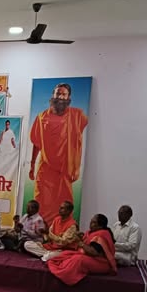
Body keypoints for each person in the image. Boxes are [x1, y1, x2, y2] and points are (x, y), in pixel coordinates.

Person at [28, 83, 88, 225]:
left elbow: (77, 142)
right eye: (58, 93)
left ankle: (61, 230)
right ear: (53, 96)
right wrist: (32, 165)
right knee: (41, 200)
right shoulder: (41, 117)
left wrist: (76, 168)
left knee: (64, 202)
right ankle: (40, 230)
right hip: (46, 168)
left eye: (63, 94)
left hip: (64, 169)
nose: (60, 96)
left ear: (68, 97)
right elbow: (37, 144)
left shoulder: (77, 115)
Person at [47, 214, 117, 286]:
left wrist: (80, 243)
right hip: (90, 257)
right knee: (65, 254)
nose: (90, 223)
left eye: (94, 222)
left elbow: (94, 252)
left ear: (100, 226)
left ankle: (65, 274)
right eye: (91, 221)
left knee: (78, 259)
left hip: (101, 262)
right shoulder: (90, 232)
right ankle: (62, 268)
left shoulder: (102, 234)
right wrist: (80, 238)